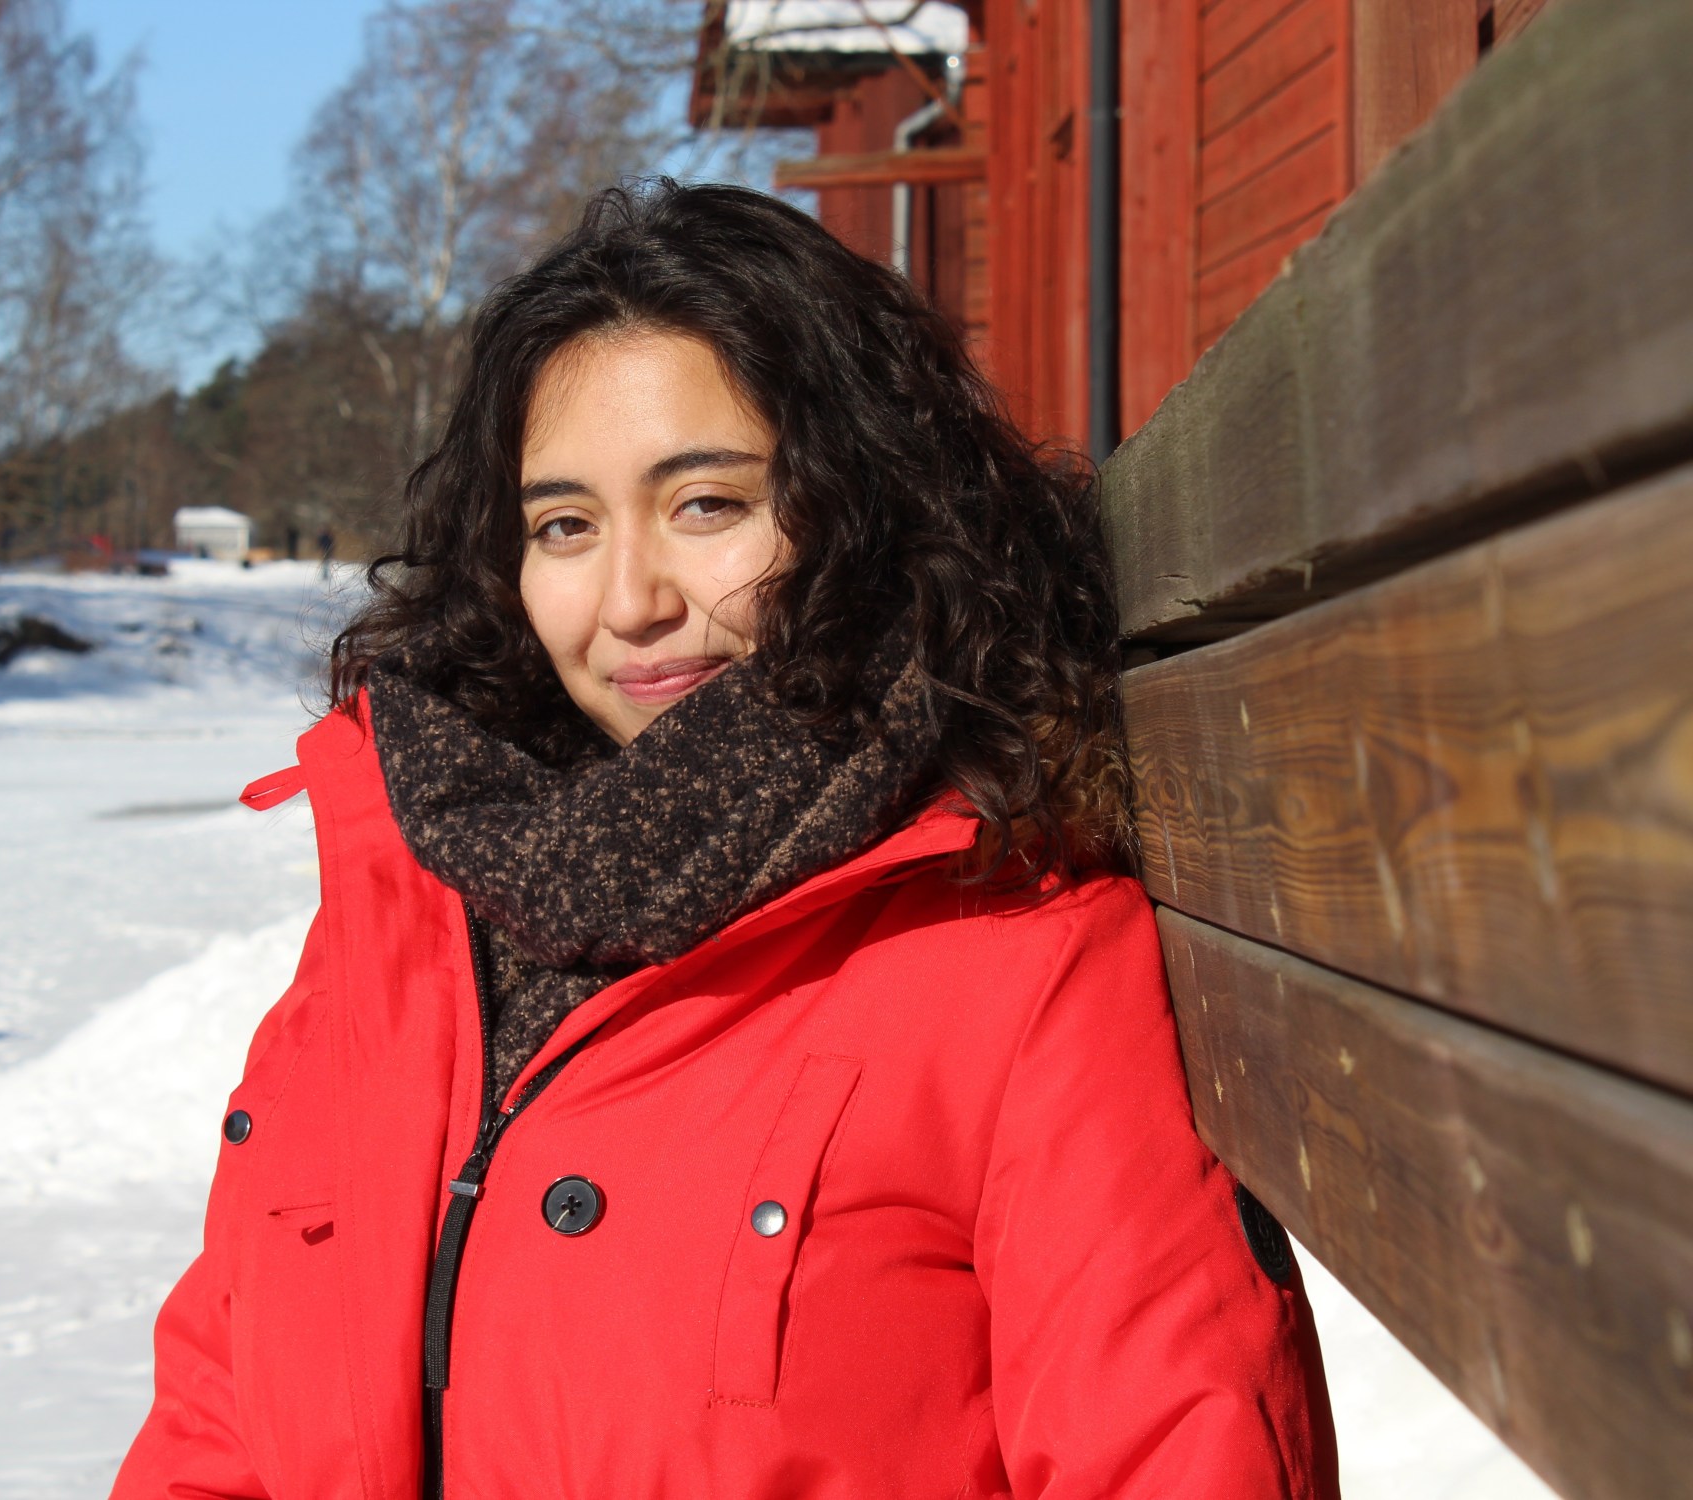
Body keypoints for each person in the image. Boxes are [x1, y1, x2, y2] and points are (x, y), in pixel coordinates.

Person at [113, 180, 1338, 1499]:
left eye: (707, 504)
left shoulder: (1018, 960)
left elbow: (1175, 1453)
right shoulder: (406, 916)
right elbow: (217, 1427)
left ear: (868, 510)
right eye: (564, 525)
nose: (630, 600)